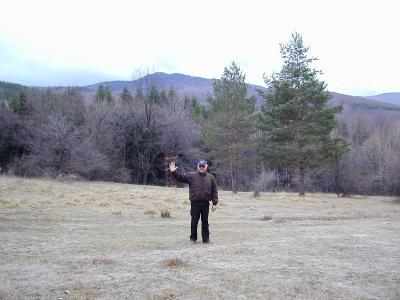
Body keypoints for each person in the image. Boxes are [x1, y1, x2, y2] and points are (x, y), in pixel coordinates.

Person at [169, 159, 218, 244]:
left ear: (206, 167)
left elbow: (214, 190)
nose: (201, 167)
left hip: (205, 203)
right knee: (194, 221)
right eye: (200, 166)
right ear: (197, 166)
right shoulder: (191, 175)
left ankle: (206, 239)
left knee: (205, 222)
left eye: (203, 166)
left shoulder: (211, 177)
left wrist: (215, 203)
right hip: (195, 203)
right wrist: (173, 172)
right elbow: (181, 177)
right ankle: (193, 239)